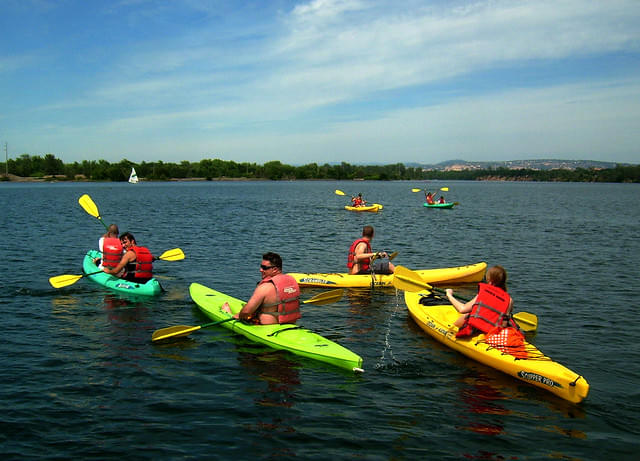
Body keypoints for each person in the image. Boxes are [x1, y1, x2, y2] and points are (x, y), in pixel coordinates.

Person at [222, 252, 301, 325]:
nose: (260, 270)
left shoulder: (265, 287)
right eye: (261, 267)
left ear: (275, 269)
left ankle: (227, 312)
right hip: (289, 323)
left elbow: (246, 312)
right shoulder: (292, 282)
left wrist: (239, 315)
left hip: (267, 326)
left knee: (240, 313)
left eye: (264, 268)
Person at [445, 265, 519, 338]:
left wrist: (449, 295)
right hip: (496, 331)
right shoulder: (509, 300)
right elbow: (504, 320)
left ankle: (453, 327)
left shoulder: (484, 292)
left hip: (479, 329)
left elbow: (462, 309)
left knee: (468, 313)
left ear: (489, 279)